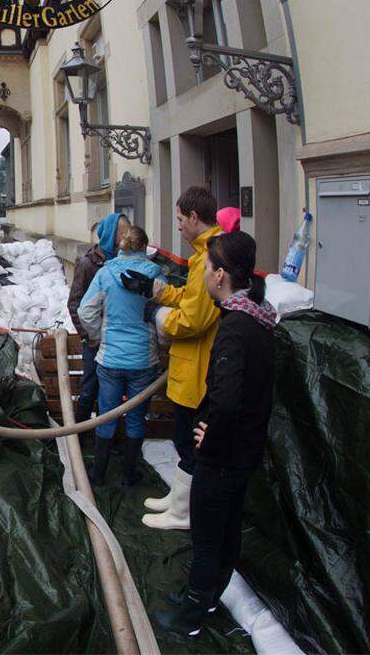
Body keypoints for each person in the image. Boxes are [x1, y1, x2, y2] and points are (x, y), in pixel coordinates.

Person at [155, 230, 277, 636]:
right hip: (245, 452)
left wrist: (210, 435)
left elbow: (225, 398)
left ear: (221, 275)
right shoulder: (259, 319)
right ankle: (207, 599)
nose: (204, 275)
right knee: (226, 532)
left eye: (207, 269)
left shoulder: (234, 328)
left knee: (207, 537)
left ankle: (191, 615)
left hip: (223, 457)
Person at [121, 186, 223, 530]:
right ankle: (179, 500)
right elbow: (190, 296)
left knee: (189, 441)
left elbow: (194, 318)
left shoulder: (212, 257)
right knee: (184, 440)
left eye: (180, 219)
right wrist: (155, 290)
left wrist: (157, 315)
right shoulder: (203, 256)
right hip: (189, 367)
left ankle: (184, 512)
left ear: (194, 218)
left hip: (198, 371)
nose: (178, 226)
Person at [77, 224, 161, 486]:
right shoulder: (157, 276)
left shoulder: (105, 273)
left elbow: (86, 311)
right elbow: (165, 319)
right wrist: (160, 342)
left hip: (111, 358)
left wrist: (98, 337)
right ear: (145, 248)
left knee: (107, 414)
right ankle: (128, 476)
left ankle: (98, 474)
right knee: (136, 417)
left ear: (122, 246)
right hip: (143, 360)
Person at [66, 212, 129, 428]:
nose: (125, 237)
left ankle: (110, 437)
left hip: (116, 340)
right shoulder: (87, 265)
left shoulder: (124, 262)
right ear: (110, 235)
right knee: (89, 388)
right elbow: (74, 304)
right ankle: (82, 435)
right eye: (122, 233)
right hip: (94, 342)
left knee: (113, 392)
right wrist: (89, 336)